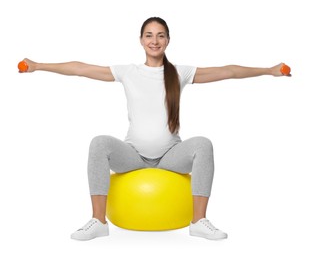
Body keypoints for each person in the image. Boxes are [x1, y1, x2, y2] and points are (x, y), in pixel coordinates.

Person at [20, 17, 289, 241]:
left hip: (171, 157)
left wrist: (269, 70)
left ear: (168, 41)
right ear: (141, 40)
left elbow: (228, 71)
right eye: (149, 35)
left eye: (161, 35)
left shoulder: (179, 73)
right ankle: (98, 221)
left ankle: (199, 221)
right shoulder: (128, 72)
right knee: (99, 142)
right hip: (134, 156)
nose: (155, 40)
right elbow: (80, 68)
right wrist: (38, 66)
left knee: (203, 144)